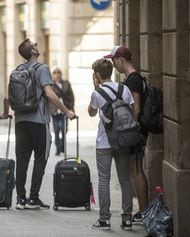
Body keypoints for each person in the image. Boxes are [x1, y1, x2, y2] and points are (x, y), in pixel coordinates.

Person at [1, 39, 76, 210]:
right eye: (36, 44)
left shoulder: (17, 70)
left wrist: (6, 113)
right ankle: (33, 198)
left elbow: (8, 97)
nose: (38, 44)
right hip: (38, 121)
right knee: (40, 159)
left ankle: (20, 199)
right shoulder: (42, 69)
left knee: (22, 160)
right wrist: (67, 111)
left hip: (20, 122)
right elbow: (49, 93)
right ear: (33, 51)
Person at [104, 45, 149, 224]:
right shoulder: (133, 78)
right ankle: (142, 210)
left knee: (136, 169)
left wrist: (128, 129)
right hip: (135, 130)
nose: (114, 65)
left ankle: (144, 212)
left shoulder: (133, 80)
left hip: (134, 131)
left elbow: (135, 109)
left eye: (114, 61)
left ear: (121, 60)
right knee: (134, 169)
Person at [88, 58, 133, 230]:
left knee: (104, 180)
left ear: (97, 75)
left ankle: (104, 220)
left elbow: (91, 113)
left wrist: (95, 89)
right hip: (123, 141)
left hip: (104, 142)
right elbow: (132, 110)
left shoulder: (97, 94)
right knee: (125, 179)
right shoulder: (124, 89)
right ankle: (127, 219)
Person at [50, 67, 75, 156]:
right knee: (57, 130)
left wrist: (71, 108)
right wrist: (51, 109)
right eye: (55, 72)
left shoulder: (66, 83)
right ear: (52, 75)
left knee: (64, 129)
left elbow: (71, 97)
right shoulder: (50, 85)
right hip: (55, 111)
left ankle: (63, 147)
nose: (57, 74)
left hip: (65, 110)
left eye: (59, 72)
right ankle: (58, 148)